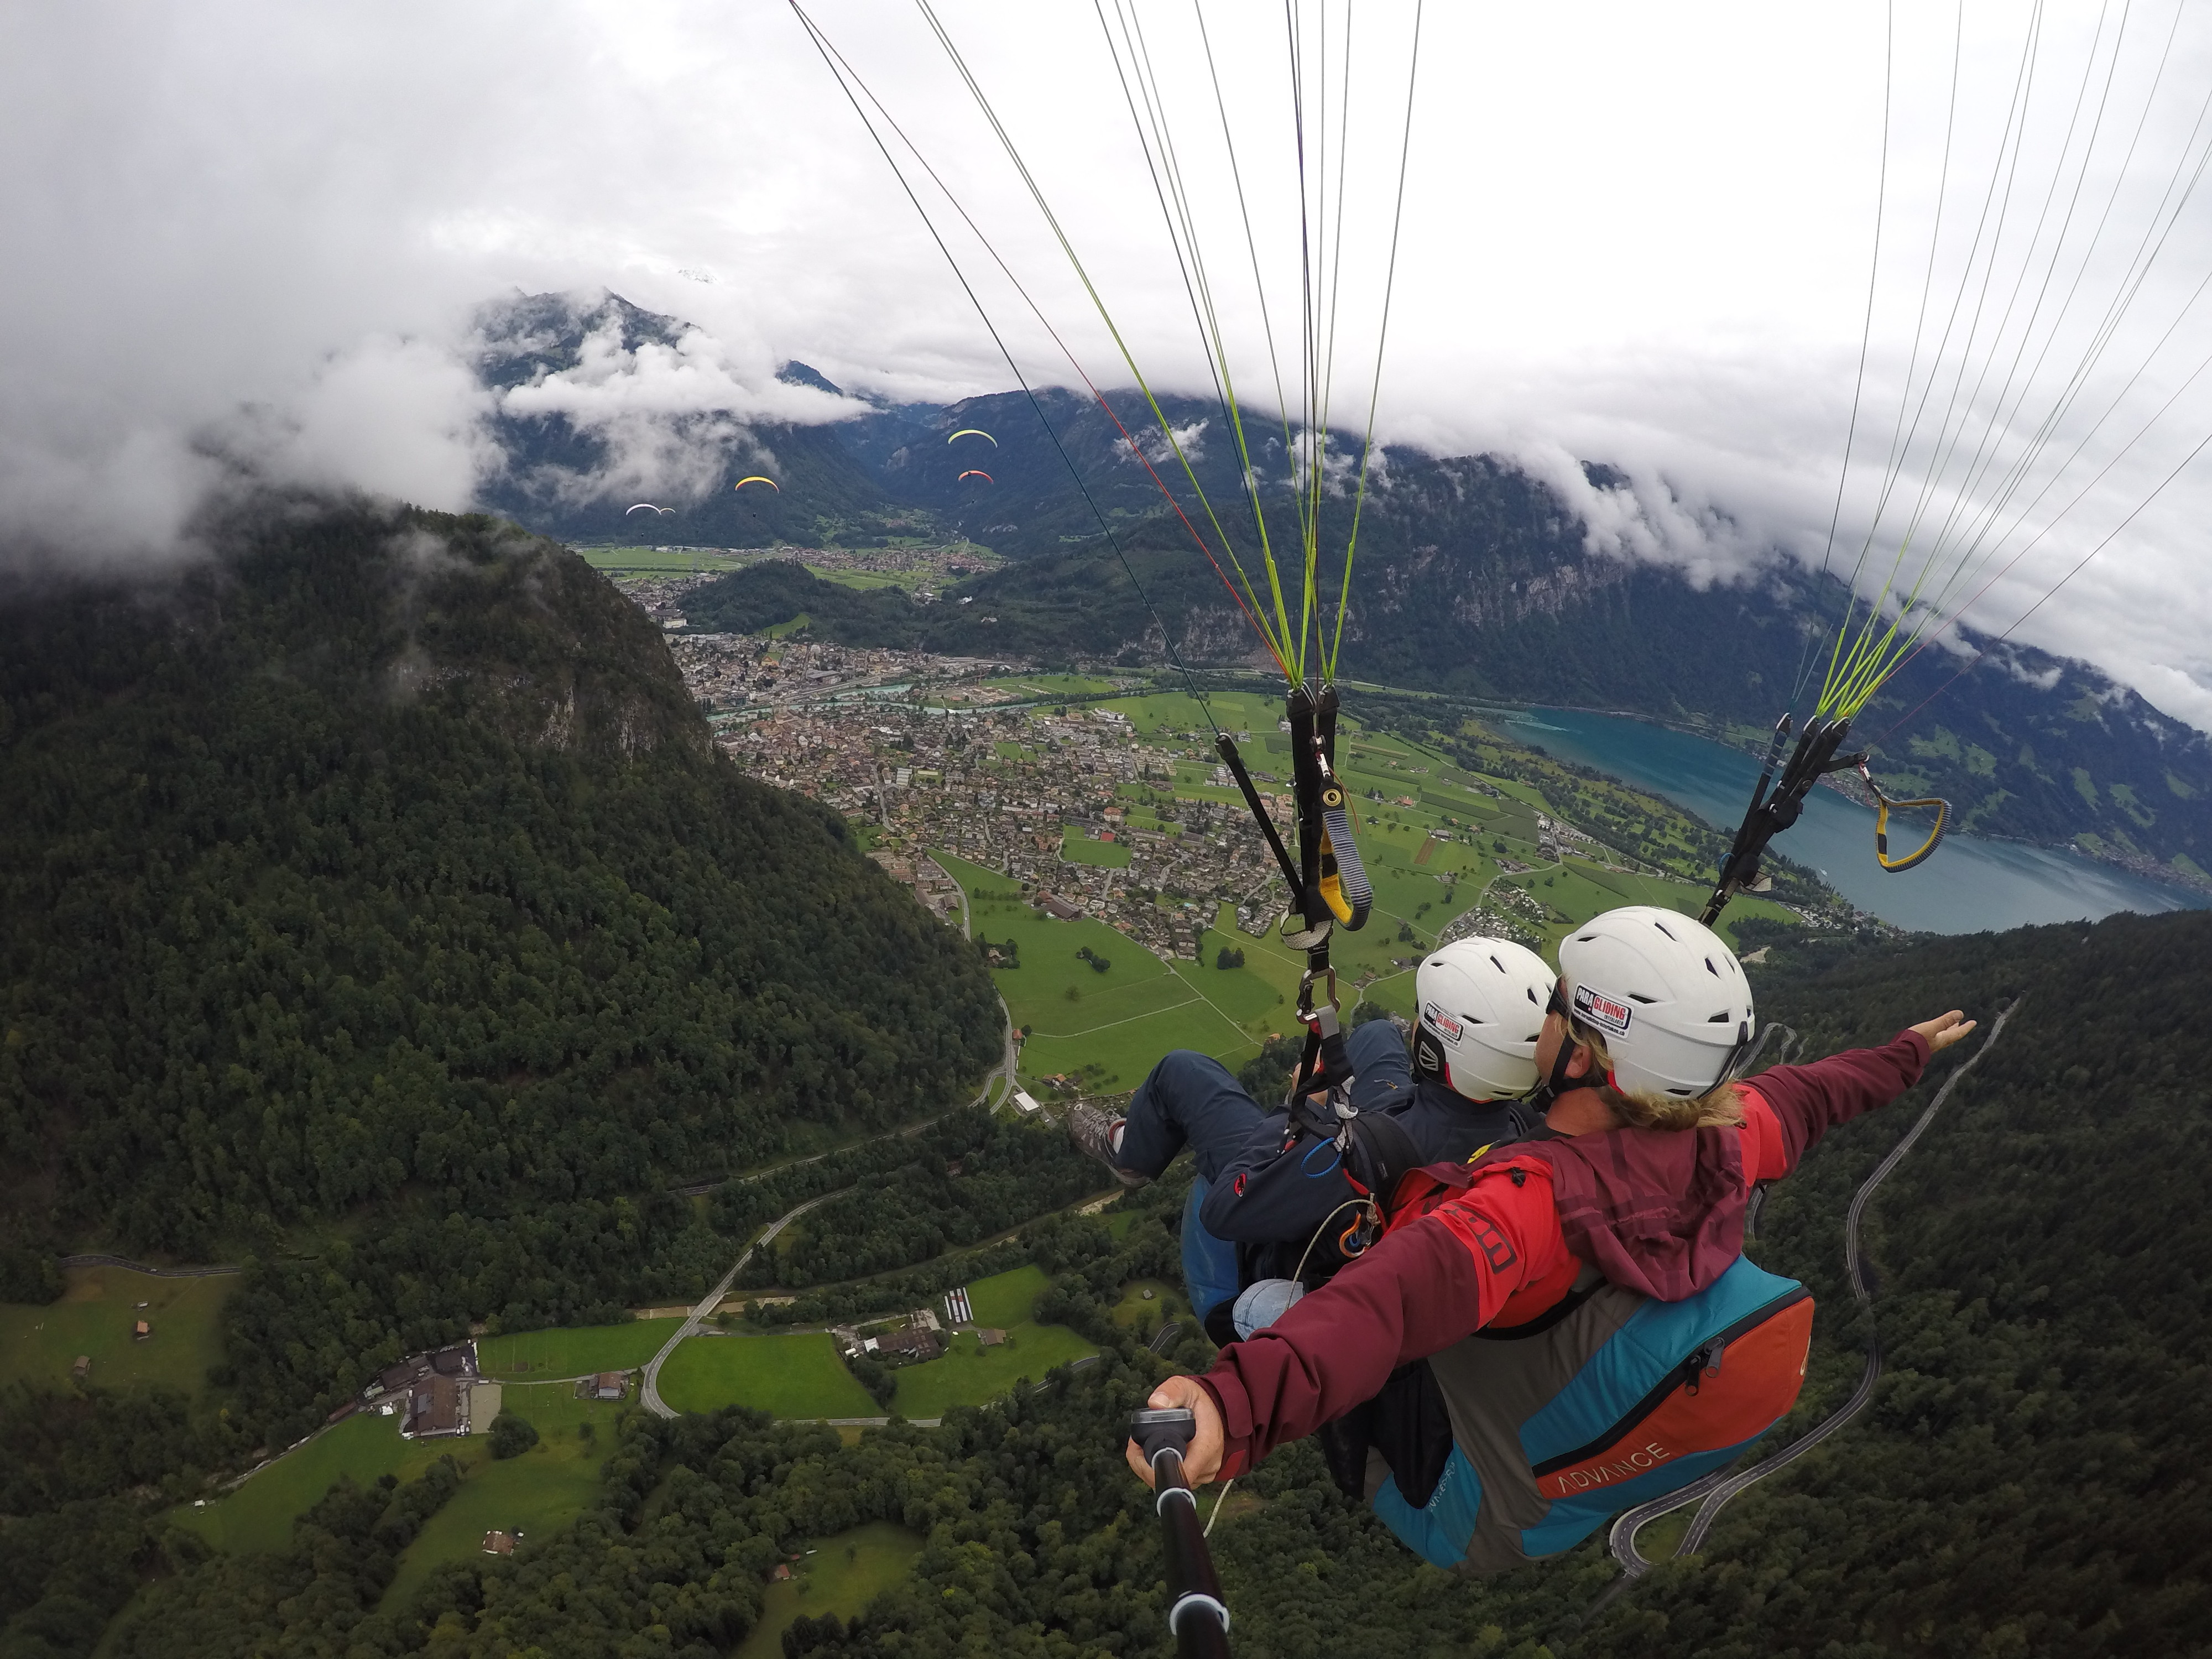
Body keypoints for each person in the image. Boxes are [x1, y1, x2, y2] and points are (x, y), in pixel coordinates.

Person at [1123, 905, 1980, 1575]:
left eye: (1559, 1007)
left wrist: (1232, 1407)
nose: (1542, 1015)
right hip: (1546, 1484)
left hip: (1453, 1496)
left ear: (1585, 1058)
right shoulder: (1724, 1141)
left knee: (1268, 1288)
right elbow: (1807, 1096)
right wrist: (1904, 1055)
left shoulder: (1527, 1209)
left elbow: (1387, 1305)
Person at [1066, 937, 1554, 1338]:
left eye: (1425, 1023)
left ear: (1432, 1052)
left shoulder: (1347, 1160)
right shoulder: (1525, 1131)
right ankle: (1381, 1054)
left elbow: (1224, 1210)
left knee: (1182, 1072)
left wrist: (1302, 1105)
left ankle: (1130, 1154)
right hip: (1434, 1118)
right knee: (1378, 1033)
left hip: (1349, 1174)